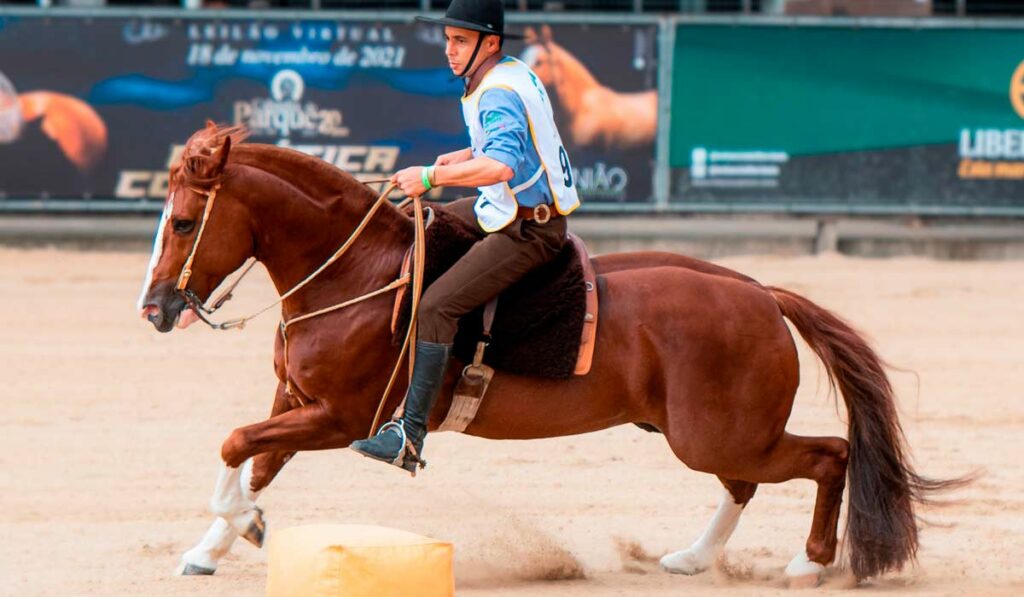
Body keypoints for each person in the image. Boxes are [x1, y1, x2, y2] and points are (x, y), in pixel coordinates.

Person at [349, 0, 581, 474]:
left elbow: (502, 164)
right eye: (448, 40)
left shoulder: (496, 92)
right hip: (504, 208)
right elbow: (499, 147)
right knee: (422, 223)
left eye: (460, 41)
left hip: (528, 227)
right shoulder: (509, 72)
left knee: (437, 305)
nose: (449, 51)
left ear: (489, 43)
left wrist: (433, 175)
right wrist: (455, 160)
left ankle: (409, 436)